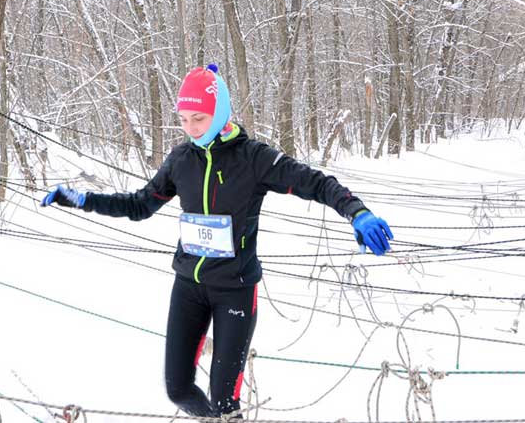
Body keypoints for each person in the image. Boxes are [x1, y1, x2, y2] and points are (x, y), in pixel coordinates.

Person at [40, 64, 393, 418]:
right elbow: (140, 204)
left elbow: (315, 182)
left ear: (220, 113)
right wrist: (84, 200)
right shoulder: (181, 160)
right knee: (178, 389)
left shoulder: (254, 158)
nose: (191, 129)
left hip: (234, 291)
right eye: (183, 119)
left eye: (199, 118)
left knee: (225, 401)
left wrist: (357, 212)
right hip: (188, 287)